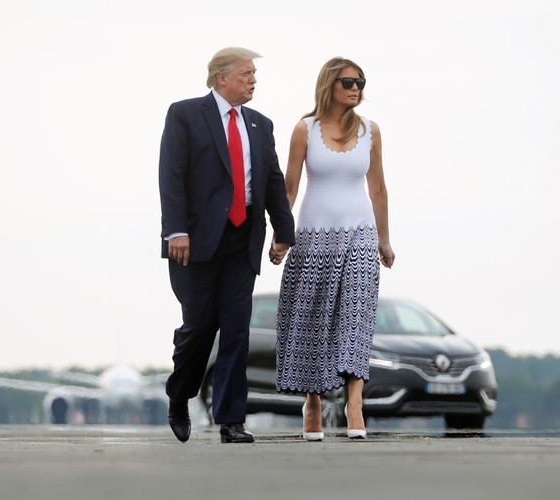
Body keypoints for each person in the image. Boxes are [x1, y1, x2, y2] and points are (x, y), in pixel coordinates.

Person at [159, 47, 296, 443]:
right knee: (200, 327)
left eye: (255, 74)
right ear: (221, 78)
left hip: (242, 239)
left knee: (237, 330)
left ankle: (231, 420)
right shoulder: (185, 114)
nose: (253, 80)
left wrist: (283, 230)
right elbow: (172, 175)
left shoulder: (260, 124)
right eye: (246, 73)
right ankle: (179, 395)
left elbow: (271, 181)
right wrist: (176, 231)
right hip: (195, 240)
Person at [275, 57, 395, 441]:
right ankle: (312, 401)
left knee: (355, 318)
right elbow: (289, 188)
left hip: (359, 234)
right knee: (314, 321)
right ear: (330, 84)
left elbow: (377, 187)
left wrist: (384, 239)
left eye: (361, 81)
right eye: (348, 81)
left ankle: (354, 402)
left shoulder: (370, 131)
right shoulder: (304, 130)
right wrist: (280, 234)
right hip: (313, 237)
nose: (356, 87)